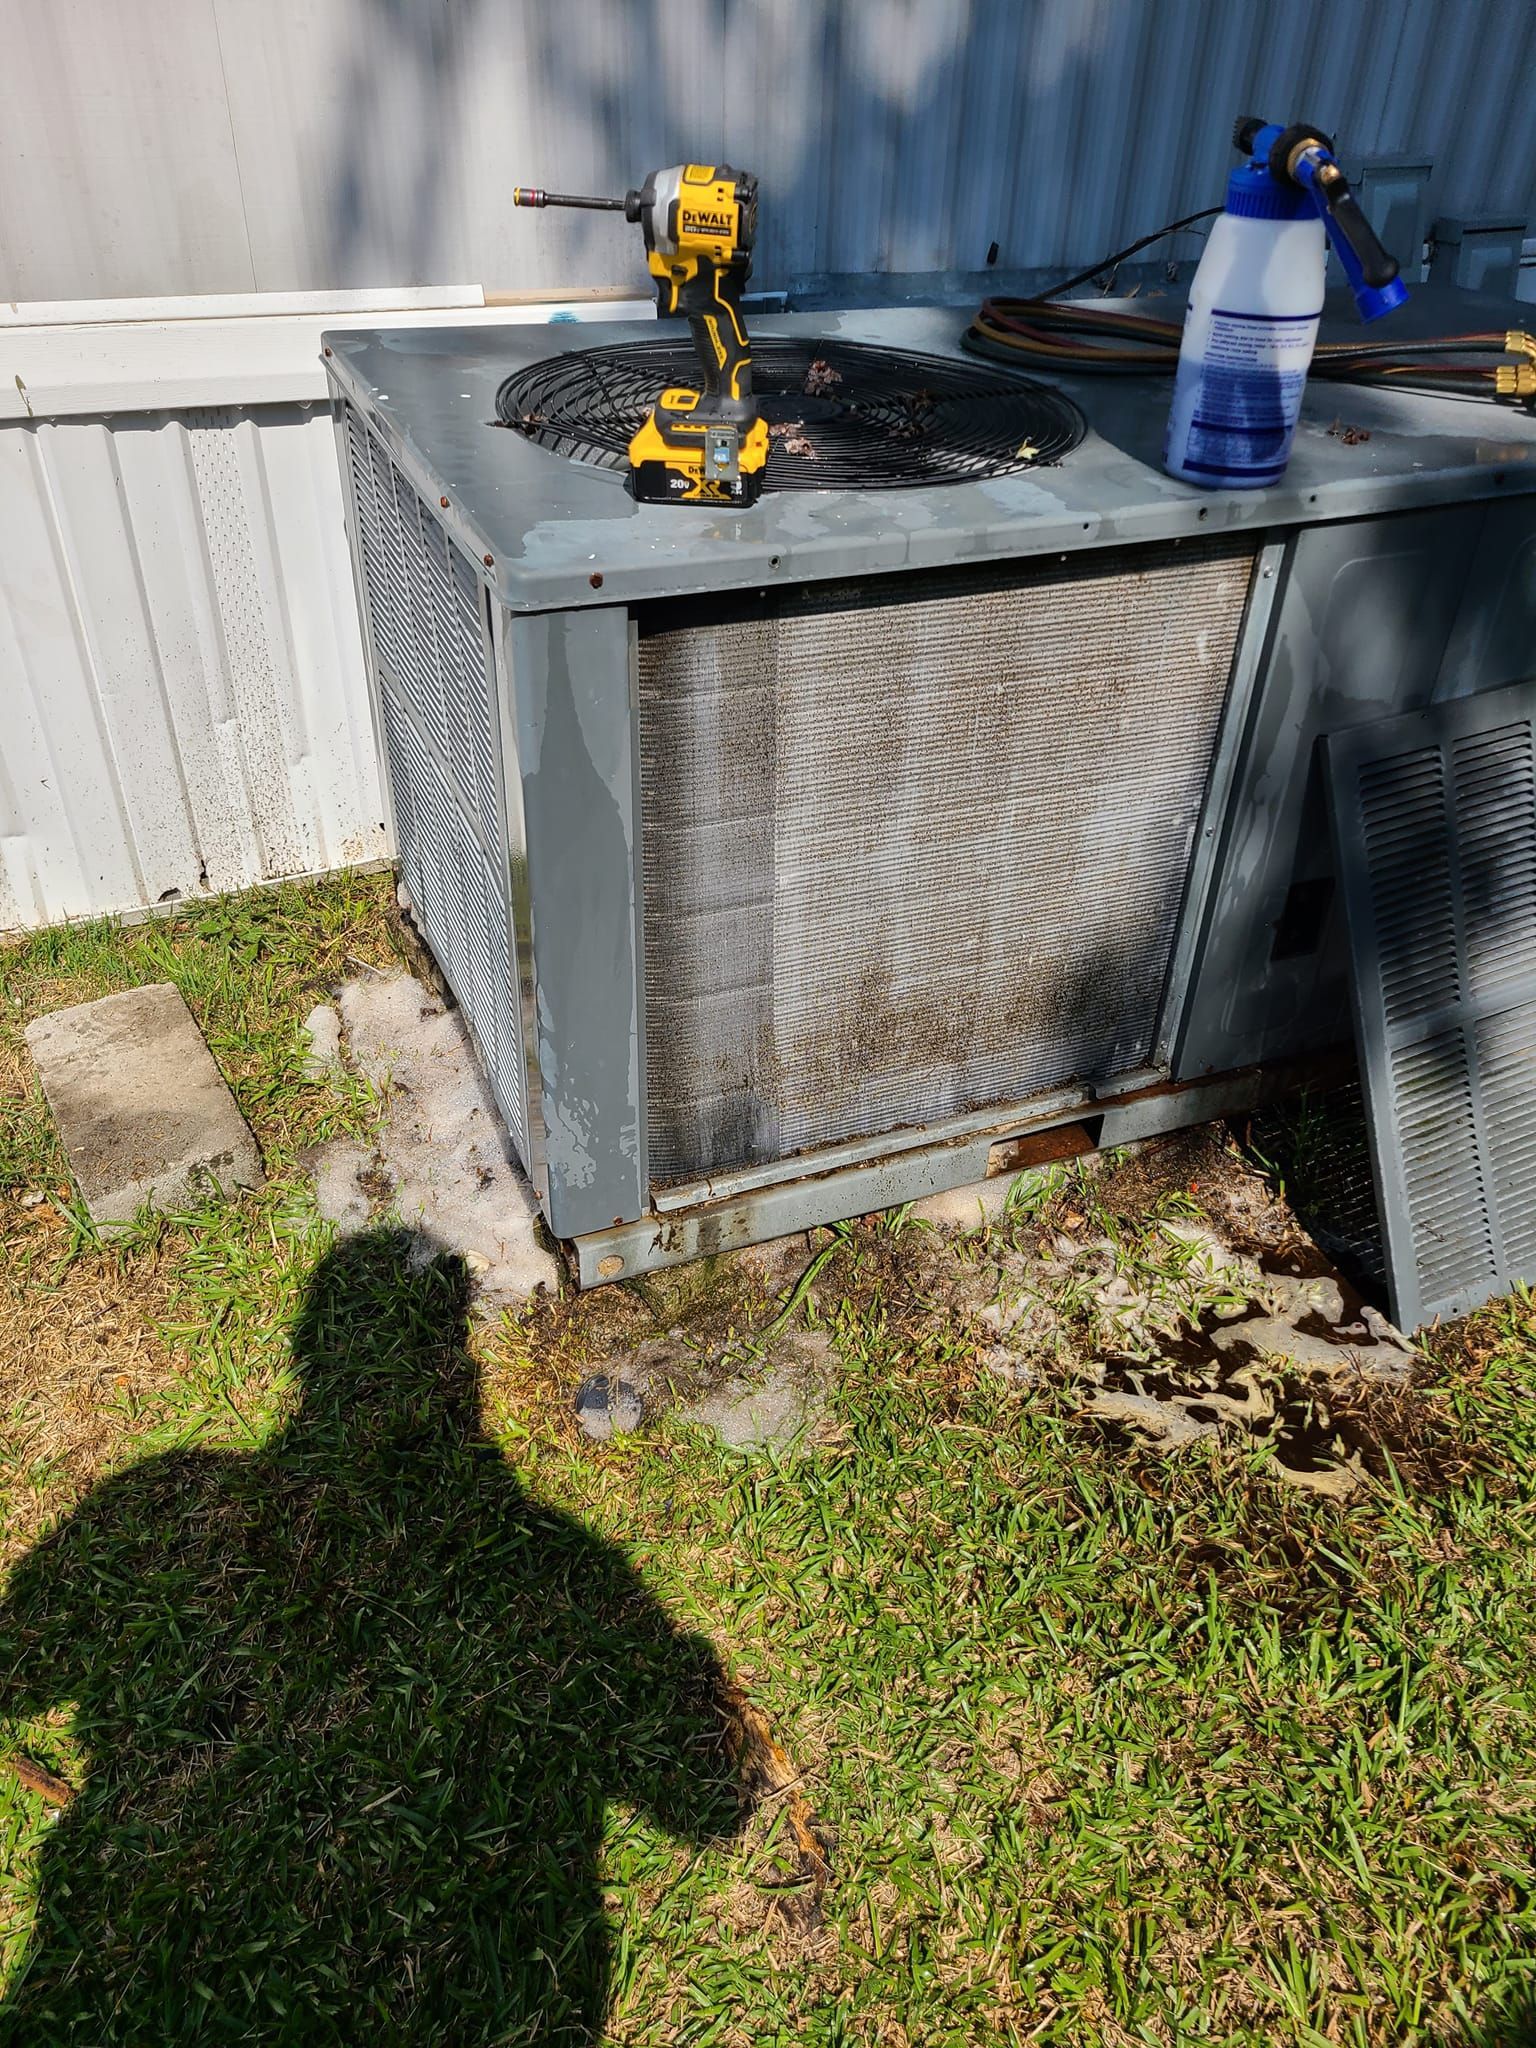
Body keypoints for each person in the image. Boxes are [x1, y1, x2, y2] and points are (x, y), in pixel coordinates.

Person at [0, 1228, 746, 2042]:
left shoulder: (157, 1503)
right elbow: (708, 1806)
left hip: (127, 1992)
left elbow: (23, 1670)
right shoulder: (556, 1562)